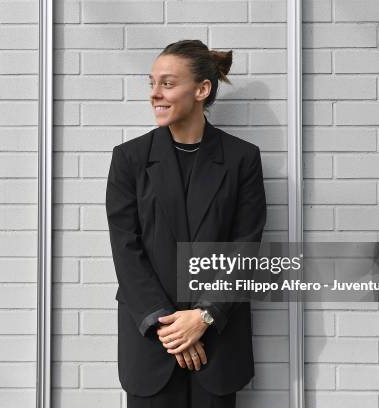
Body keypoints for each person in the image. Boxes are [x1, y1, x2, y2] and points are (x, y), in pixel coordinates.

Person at [105, 39, 267, 408]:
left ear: (202, 90)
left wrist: (205, 315)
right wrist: (170, 327)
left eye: (167, 83)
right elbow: (126, 250)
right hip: (152, 344)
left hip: (219, 344)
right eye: (152, 83)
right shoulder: (129, 159)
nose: (154, 94)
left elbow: (245, 247)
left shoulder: (242, 159)